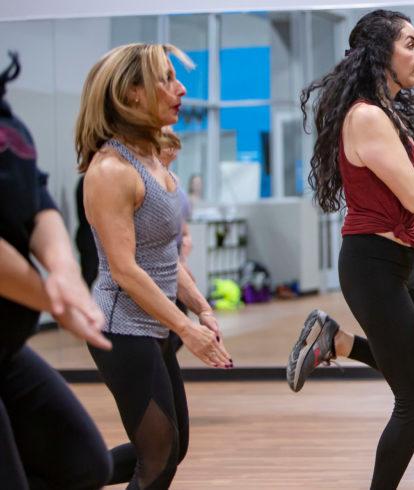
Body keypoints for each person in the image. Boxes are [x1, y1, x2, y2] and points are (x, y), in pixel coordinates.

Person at [283, 10, 414, 490]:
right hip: (370, 266)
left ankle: (337, 343)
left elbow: (402, 196)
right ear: (381, 53)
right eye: (410, 44)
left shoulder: (387, 115)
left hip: (398, 266)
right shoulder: (366, 116)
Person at [77, 43, 233, 489]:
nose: (180, 88)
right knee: (158, 457)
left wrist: (200, 308)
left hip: (154, 323)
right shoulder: (111, 171)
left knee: (172, 447)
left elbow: (162, 257)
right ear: (131, 95)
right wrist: (187, 331)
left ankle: (60, 477)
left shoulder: (155, 162)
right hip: (122, 327)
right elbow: (125, 270)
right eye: (166, 78)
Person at [0, 51, 113, 490]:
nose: (179, 89)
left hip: (8, 345)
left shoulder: (6, 115)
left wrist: (63, 272)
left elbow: (37, 199)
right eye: (166, 79)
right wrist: (55, 297)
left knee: (85, 465)